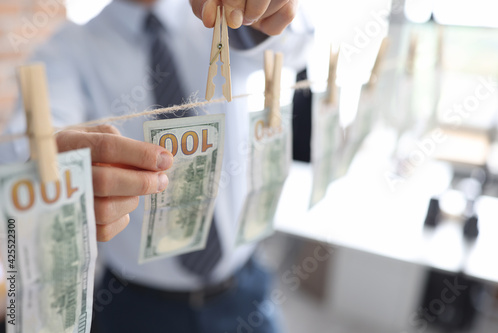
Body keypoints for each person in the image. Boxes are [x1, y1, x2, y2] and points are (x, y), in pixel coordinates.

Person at [0, 0, 313, 332]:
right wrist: (50, 171)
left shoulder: (221, 15)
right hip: (134, 310)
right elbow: (34, 136)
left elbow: (297, 46)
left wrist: (269, 14)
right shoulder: (67, 48)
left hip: (245, 288)